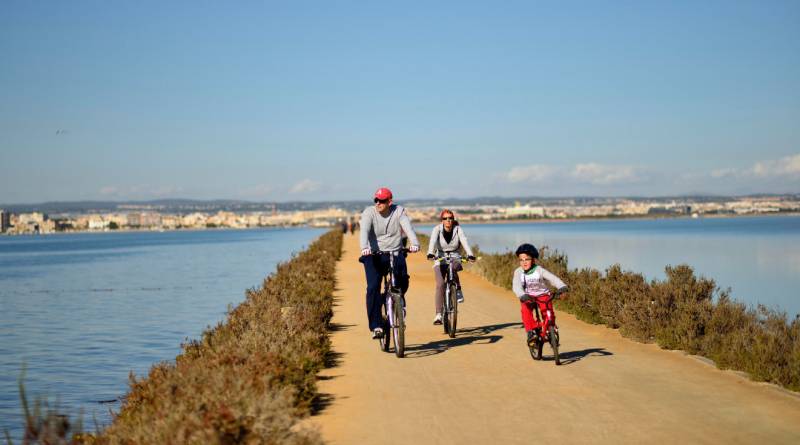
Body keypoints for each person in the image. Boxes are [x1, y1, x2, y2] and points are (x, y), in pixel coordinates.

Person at [359, 187, 420, 339]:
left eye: (382, 201)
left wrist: (415, 243)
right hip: (374, 254)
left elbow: (408, 228)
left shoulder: (398, 211)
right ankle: (376, 326)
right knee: (373, 287)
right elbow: (364, 231)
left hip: (395, 252)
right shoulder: (369, 213)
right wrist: (364, 247)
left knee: (403, 280)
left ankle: (397, 302)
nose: (378, 203)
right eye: (376, 200)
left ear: (389, 201)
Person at [426, 209, 475, 325]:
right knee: (440, 284)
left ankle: (457, 288)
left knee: (453, 267)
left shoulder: (458, 230)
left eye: (450, 218)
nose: (448, 221)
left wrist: (470, 254)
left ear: (453, 220)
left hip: (455, 256)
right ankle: (438, 314)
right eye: (445, 218)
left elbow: (464, 242)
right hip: (440, 258)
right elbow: (432, 241)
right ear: (441, 220)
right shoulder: (436, 229)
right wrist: (430, 253)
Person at [512, 243, 568, 344]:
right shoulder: (518, 272)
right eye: (521, 260)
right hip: (528, 296)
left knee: (548, 312)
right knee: (525, 311)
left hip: (543, 295)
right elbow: (516, 286)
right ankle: (531, 332)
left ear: (533, 259)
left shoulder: (539, 270)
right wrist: (522, 295)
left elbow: (553, 278)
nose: (524, 262)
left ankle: (550, 329)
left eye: (527, 259)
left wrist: (562, 286)